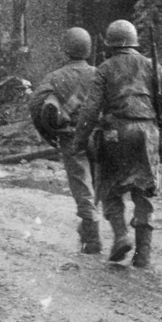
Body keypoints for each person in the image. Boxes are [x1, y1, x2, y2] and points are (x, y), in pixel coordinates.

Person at [72, 19, 162, 269]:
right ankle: (143, 254)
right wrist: (156, 108)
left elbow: (90, 109)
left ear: (110, 44)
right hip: (148, 133)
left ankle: (121, 235)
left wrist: (80, 140)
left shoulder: (105, 68)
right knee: (144, 192)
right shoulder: (150, 65)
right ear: (134, 42)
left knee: (109, 187)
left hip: (115, 133)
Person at [29, 27, 100, 254]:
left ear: (66, 50)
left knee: (81, 183)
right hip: (99, 136)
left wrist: (48, 133)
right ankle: (90, 222)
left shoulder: (55, 77)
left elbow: (35, 104)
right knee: (96, 181)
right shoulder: (100, 73)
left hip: (72, 137)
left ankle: (92, 234)